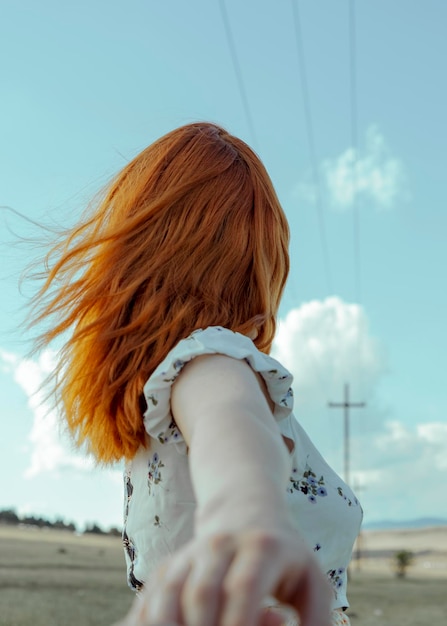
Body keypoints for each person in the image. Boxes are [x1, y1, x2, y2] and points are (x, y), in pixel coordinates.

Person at [30, 122, 362, 626]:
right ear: (253, 262)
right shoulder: (212, 360)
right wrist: (247, 515)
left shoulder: (166, 391)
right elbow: (230, 422)